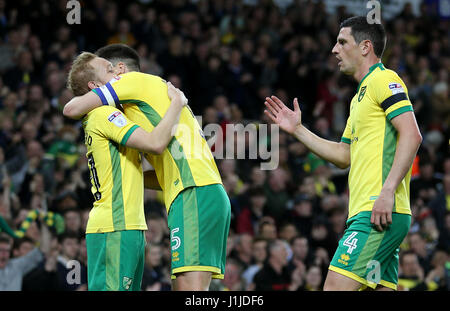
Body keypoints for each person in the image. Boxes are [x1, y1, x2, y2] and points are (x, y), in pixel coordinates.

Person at [264, 16, 422, 291]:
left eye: (342, 42)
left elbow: (412, 134)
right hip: (375, 211)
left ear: (365, 47)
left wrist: (387, 191)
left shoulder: (384, 79)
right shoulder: (359, 97)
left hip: (377, 211)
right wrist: (299, 130)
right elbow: (343, 156)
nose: (334, 50)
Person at [64, 44, 231, 291]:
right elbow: (147, 165)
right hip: (195, 192)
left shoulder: (132, 84)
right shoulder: (137, 109)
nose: (114, 75)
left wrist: (178, 103)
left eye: (111, 69)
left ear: (121, 70)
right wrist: (177, 104)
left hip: (192, 191)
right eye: (107, 70)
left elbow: (72, 108)